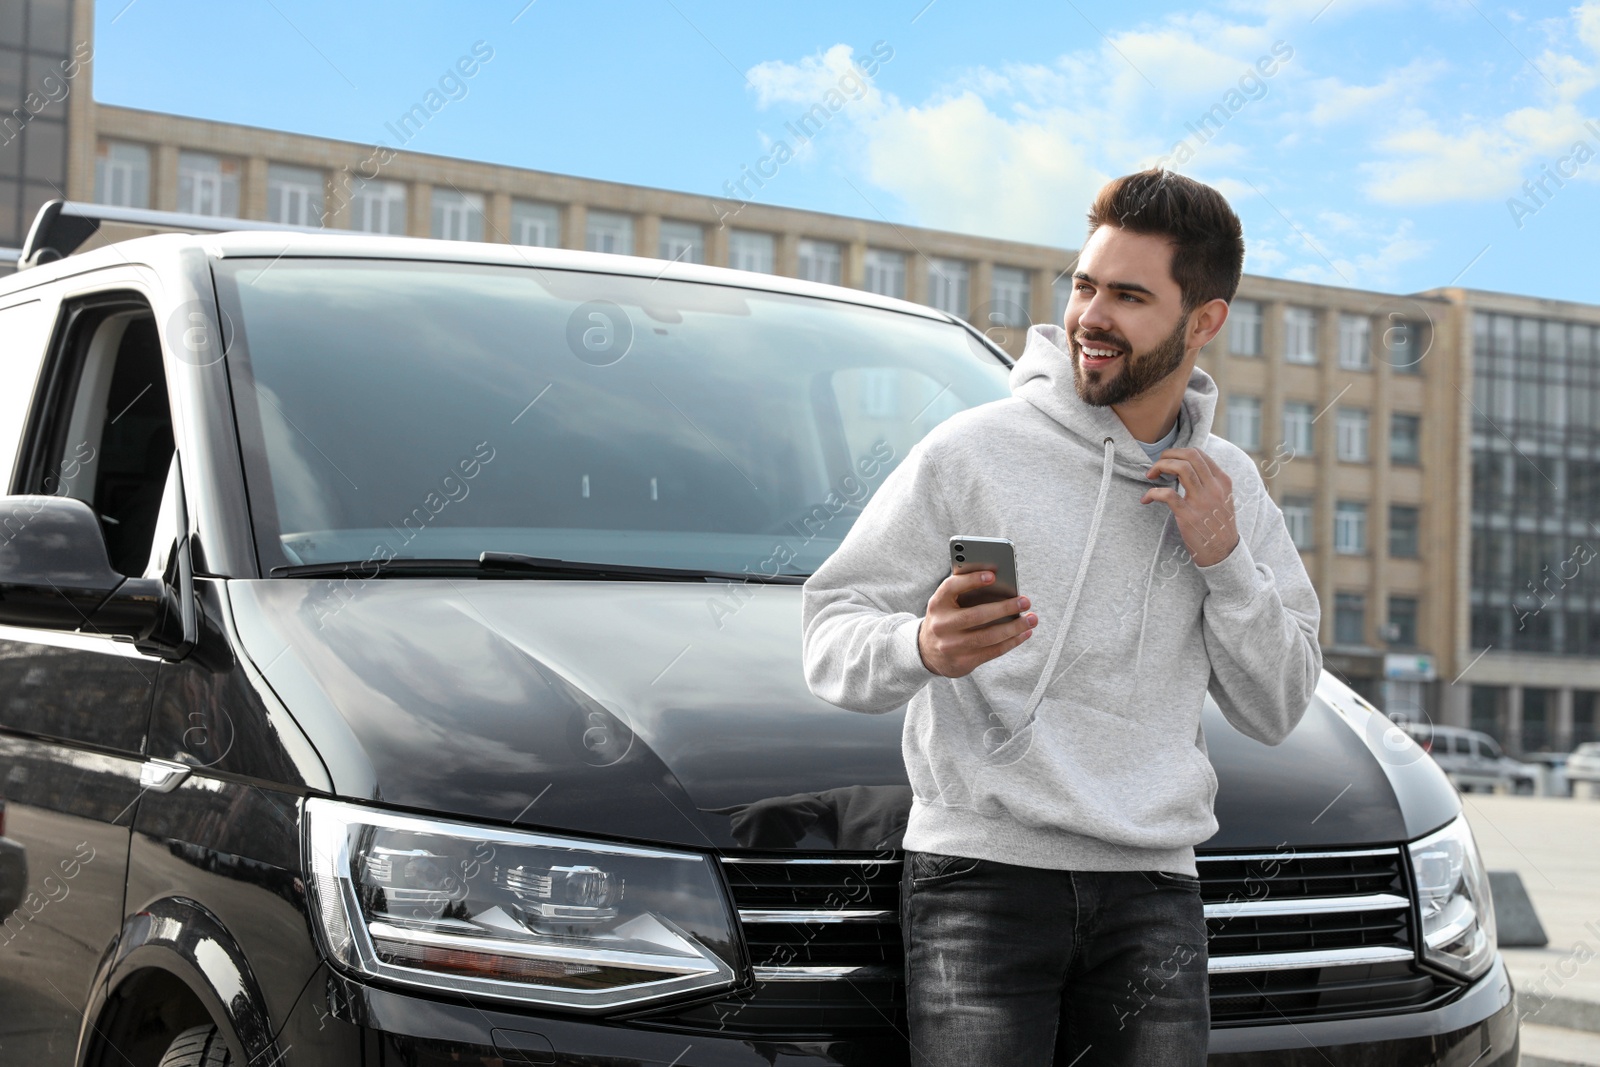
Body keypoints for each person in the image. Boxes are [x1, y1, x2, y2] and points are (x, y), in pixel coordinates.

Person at [800, 168, 1322, 1066]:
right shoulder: (972, 450)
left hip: (1155, 890)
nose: (1090, 316)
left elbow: (1277, 707)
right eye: (1084, 285)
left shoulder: (1229, 489)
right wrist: (918, 644)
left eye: (1128, 295)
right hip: (979, 881)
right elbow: (828, 633)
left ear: (1204, 320)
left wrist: (1225, 559)